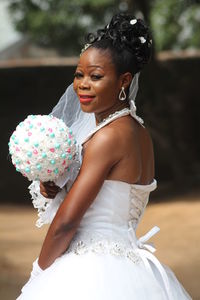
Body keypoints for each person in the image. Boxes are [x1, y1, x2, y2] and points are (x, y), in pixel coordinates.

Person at [17, 13, 191, 300]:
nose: (82, 84)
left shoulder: (108, 136)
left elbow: (66, 223)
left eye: (96, 76)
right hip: (129, 265)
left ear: (124, 81)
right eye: (78, 74)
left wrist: (40, 274)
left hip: (94, 270)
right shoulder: (137, 131)